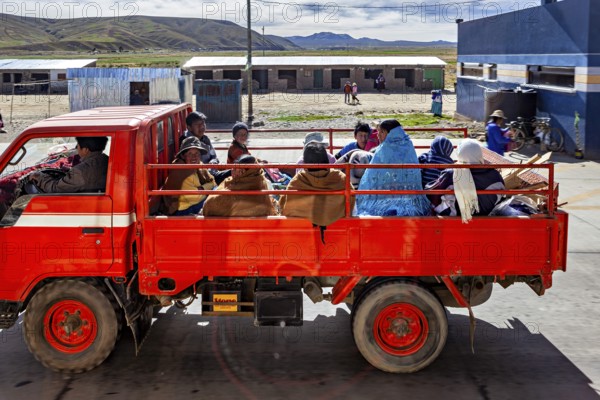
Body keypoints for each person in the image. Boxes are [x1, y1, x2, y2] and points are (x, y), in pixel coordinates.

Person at [355, 119, 431, 216]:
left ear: (392, 133)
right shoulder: (408, 145)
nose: (378, 135)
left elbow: (370, 175)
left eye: (382, 132)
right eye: (378, 132)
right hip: (409, 196)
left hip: (385, 197)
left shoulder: (384, 149)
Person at [426, 139, 505, 223]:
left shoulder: (451, 173)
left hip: (456, 219)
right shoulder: (494, 174)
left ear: (460, 154)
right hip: (488, 217)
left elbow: (432, 192)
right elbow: (502, 195)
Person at [280, 143, 348, 227]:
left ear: (305, 163)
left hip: (303, 231)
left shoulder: (297, 180)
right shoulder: (341, 178)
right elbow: (352, 203)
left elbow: (284, 206)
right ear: (326, 160)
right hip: (340, 229)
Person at [202, 154, 277, 217]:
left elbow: (210, 205)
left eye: (235, 169)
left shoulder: (238, 186)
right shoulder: (259, 179)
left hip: (232, 227)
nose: (232, 171)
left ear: (243, 172)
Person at [28, 136, 109, 193]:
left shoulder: (79, 171)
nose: (76, 149)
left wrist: (40, 177)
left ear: (85, 149)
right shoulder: (107, 160)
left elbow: (55, 188)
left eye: (77, 146)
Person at [161, 136, 216, 216]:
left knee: (219, 193)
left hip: (198, 200)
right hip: (184, 210)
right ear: (183, 156)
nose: (194, 157)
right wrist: (208, 188)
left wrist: (202, 189)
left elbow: (213, 181)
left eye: (197, 153)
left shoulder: (198, 164)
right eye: (190, 154)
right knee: (217, 200)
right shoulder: (180, 172)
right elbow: (195, 197)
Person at [179, 111, 230, 184]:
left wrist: (212, 162)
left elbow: (214, 156)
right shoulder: (186, 142)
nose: (202, 127)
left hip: (211, 172)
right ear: (189, 127)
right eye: (197, 124)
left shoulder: (205, 139)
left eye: (203, 123)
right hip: (200, 177)